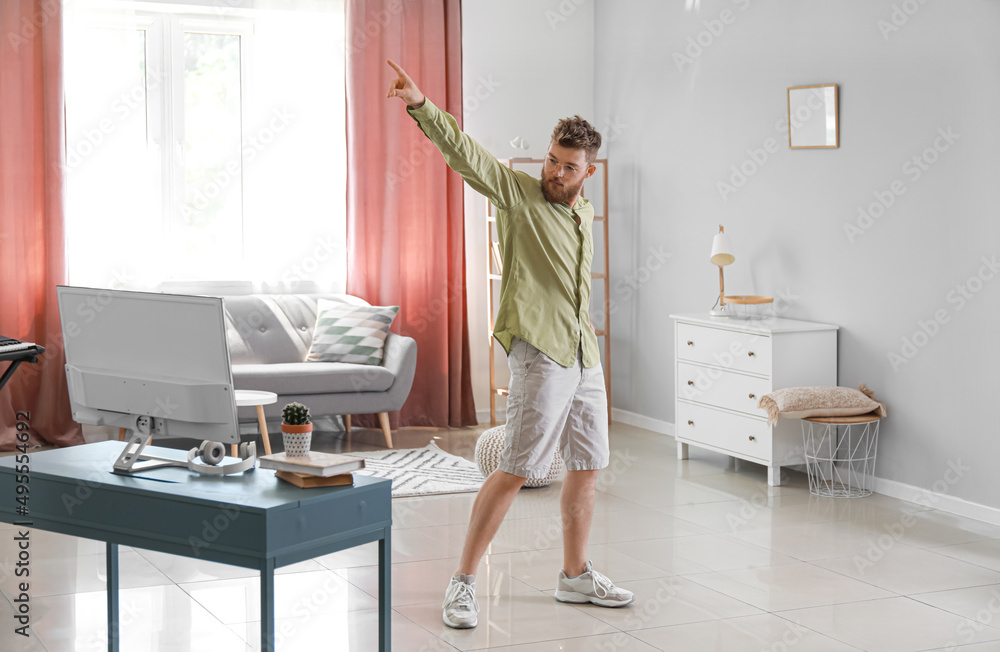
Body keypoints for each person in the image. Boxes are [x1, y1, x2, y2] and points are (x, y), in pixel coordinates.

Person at [386, 58, 634, 629]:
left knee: (587, 466)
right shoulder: (518, 195)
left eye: (568, 167)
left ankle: (574, 576)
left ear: (589, 171)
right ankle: (463, 583)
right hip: (541, 354)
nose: (555, 173)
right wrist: (421, 105)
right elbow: (467, 155)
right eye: (551, 160)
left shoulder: (585, 211)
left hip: (583, 355)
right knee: (517, 467)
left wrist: (587, 354)